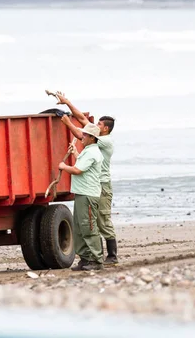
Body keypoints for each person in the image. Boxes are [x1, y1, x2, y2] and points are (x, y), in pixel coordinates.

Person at [55, 92, 118, 265]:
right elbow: (82, 120)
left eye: (98, 123)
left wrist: (67, 122)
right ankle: (93, 256)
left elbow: (80, 133)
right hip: (94, 185)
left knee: (101, 221)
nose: (94, 124)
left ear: (104, 129)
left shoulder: (104, 142)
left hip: (102, 184)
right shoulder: (95, 141)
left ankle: (111, 256)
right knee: (90, 223)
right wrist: (67, 102)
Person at [59, 123, 104, 271]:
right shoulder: (89, 151)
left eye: (85, 135)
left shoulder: (92, 152)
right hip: (82, 193)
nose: (82, 137)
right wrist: (75, 153)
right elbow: (84, 165)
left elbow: (78, 170)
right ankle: (85, 259)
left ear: (92, 138)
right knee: (79, 227)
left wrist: (64, 167)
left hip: (88, 194)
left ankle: (96, 260)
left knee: (89, 227)